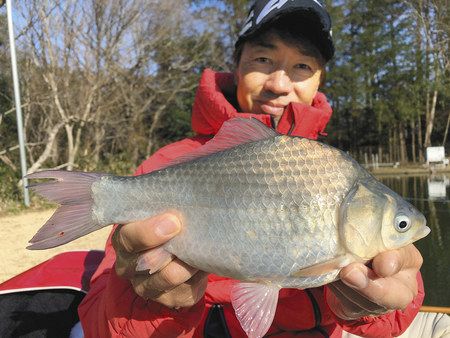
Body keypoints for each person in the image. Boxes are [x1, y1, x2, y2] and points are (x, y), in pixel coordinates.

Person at [78, 1, 425, 337]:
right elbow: (100, 326)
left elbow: (395, 302)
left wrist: (382, 300)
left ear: (320, 78)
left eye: (302, 66)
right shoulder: (164, 167)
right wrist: (147, 299)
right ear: (237, 63)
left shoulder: (335, 168)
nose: (278, 83)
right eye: (263, 58)